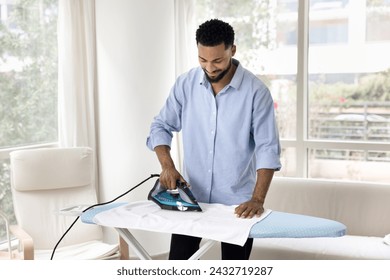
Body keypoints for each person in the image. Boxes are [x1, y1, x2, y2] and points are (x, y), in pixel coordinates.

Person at [146, 19, 281, 260]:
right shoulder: (185, 85)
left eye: (217, 60)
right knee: (178, 264)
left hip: (237, 206)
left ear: (233, 50)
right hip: (190, 199)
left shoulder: (256, 93)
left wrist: (258, 199)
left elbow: (267, 149)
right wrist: (167, 166)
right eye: (203, 60)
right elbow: (161, 125)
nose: (210, 67)